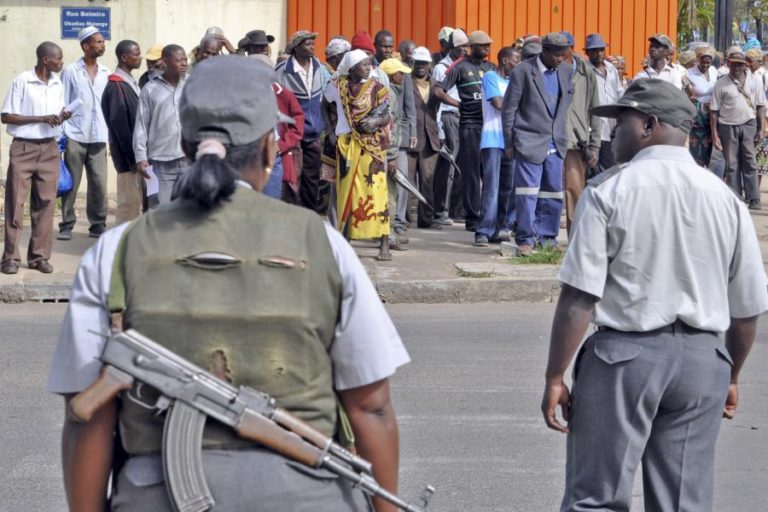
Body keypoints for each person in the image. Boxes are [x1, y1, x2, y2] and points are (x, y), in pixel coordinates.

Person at [48, 54, 410, 512]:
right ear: (269, 148)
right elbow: (370, 406)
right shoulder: (323, 244)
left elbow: (86, 417)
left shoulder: (116, 249)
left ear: (184, 143)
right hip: (308, 496)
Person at [542, 78, 767, 512]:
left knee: (597, 498)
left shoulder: (609, 191)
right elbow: (747, 311)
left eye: (621, 122)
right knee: (682, 502)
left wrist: (555, 376)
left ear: (649, 124)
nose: (614, 133)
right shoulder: (726, 200)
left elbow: (578, 299)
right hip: (704, 364)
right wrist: (732, 376)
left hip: (625, 358)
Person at [1, 42, 69, 275]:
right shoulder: (22, 81)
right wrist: (41, 118)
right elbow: (6, 116)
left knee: (46, 204)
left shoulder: (58, 83)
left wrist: (61, 117)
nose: (62, 62)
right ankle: (10, 257)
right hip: (24, 148)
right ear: (45, 60)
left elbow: (55, 114)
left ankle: (39, 257)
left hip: (50, 148)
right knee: (15, 202)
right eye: (58, 58)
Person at [502, 32, 573, 256]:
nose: (561, 59)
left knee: (553, 193)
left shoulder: (566, 71)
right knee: (527, 193)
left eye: (564, 55)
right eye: (558, 55)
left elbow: (566, 102)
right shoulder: (523, 71)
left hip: (556, 143)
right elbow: (509, 109)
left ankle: (547, 239)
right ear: (546, 51)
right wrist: (509, 142)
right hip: (528, 141)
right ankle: (525, 239)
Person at [329, 50, 392, 261]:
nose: (368, 67)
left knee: (377, 193)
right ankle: (345, 242)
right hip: (347, 145)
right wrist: (330, 130)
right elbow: (324, 105)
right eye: (364, 64)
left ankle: (384, 243)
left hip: (371, 148)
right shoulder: (337, 86)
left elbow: (387, 115)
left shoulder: (377, 87)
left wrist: (376, 122)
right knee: (347, 193)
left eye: (368, 64)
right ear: (352, 68)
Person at [433, 31, 495, 233]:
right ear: (471, 46)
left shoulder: (491, 68)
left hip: (490, 126)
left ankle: (489, 216)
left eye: (488, 45)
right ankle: (472, 218)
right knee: (471, 174)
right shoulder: (459, 66)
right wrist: (458, 104)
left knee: (490, 173)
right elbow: (438, 90)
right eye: (483, 45)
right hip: (469, 125)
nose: (487, 49)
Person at [58, 26, 110, 240]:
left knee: (99, 182)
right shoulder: (70, 71)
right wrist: (61, 134)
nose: (102, 45)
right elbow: (62, 102)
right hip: (75, 134)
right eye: (98, 42)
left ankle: (97, 224)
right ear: (86, 46)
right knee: (73, 181)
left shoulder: (106, 72)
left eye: (102, 41)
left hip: (99, 135)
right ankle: (67, 224)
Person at [275, 30, 330, 212]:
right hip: (293, 134)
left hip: (314, 133)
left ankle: (309, 216)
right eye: (307, 44)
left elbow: (328, 97)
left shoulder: (320, 68)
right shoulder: (283, 71)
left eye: (313, 44)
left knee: (312, 178)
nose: (312, 47)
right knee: (293, 177)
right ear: (296, 48)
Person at [711, 46, 766, 210]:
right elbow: (714, 111)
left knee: (750, 161)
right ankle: (736, 197)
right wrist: (715, 135)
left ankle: (754, 198)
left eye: (739, 65)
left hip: (749, 124)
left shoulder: (755, 80)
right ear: (728, 64)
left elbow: (761, 106)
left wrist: (761, 129)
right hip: (727, 126)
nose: (736, 68)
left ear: (745, 65)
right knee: (732, 164)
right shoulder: (721, 83)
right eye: (733, 64)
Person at [133, 44, 189, 206]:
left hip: (188, 161)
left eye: (185, 59)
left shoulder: (192, 85)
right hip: (158, 164)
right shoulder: (149, 90)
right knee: (158, 211)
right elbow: (141, 126)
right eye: (179, 60)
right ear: (165, 62)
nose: (184, 63)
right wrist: (141, 158)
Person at [474, 46, 517, 247]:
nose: (517, 65)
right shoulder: (491, 77)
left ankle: (500, 228)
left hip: (510, 141)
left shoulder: (512, 82)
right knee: (491, 187)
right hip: (492, 140)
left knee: (507, 188)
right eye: (515, 60)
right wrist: (518, 103)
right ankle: (483, 230)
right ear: (505, 60)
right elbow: (498, 104)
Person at [563, 31, 601, 237]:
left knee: (574, 191)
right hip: (548, 140)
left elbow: (596, 110)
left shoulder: (586, 71)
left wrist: (594, 144)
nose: (559, 54)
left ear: (571, 48)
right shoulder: (547, 70)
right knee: (545, 192)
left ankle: (575, 237)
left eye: (564, 48)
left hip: (575, 142)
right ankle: (543, 239)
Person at [101, 40, 143, 224]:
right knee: (128, 205)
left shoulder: (130, 82)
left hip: (137, 156)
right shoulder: (116, 86)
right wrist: (132, 159)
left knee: (137, 204)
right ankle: (121, 246)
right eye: (136, 54)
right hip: (129, 159)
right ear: (124, 57)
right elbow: (120, 128)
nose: (139, 57)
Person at [431, 29, 468, 226]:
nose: (464, 50)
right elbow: (437, 100)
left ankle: (457, 209)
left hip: (462, 117)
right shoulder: (441, 68)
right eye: (461, 47)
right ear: (451, 48)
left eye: (466, 47)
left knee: (462, 165)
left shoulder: (464, 66)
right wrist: (440, 129)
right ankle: (442, 210)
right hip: (448, 117)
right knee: (449, 166)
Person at [404, 47, 441, 230]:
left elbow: (439, 113)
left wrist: (440, 135)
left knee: (428, 180)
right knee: (408, 180)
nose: (420, 66)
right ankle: (405, 220)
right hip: (410, 137)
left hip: (431, 138)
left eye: (424, 63)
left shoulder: (436, 85)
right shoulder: (405, 82)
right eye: (417, 63)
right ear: (412, 63)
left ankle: (427, 219)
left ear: (429, 65)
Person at [381, 57, 412, 252]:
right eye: (401, 73)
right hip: (387, 153)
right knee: (390, 195)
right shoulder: (390, 95)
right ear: (393, 76)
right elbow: (388, 128)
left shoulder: (391, 92)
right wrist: (392, 156)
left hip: (384, 151)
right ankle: (389, 235)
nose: (404, 76)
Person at [585, 33, 621, 170]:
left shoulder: (612, 69)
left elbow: (619, 93)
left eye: (601, 50)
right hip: (594, 128)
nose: (599, 53)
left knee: (611, 170)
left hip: (612, 128)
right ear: (588, 52)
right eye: (594, 50)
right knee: (592, 170)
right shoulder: (585, 71)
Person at [688, 45, 719, 167]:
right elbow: (688, 95)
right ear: (697, 60)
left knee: (711, 144)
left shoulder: (714, 70)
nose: (705, 65)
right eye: (702, 62)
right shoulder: (689, 73)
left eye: (708, 62)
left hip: (712, 112)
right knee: (697, 146)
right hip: (698, 114)